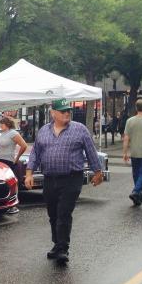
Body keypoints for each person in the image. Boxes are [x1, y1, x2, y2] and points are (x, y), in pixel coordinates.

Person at [25, 99, 103, 264]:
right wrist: (29, 173)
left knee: (63, 213)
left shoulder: (79, 129)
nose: (66, 113)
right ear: (53, 113)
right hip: (49, 179)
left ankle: (62, 248)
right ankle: (57, 244)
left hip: (72, 179)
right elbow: (35, 154)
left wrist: (98, 172)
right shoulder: (43, 131)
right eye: (62, 111)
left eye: (68, 110)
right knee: (53, 214)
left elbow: (91, 151)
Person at [0, 116, 28, 214]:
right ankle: (2, 203)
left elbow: (24, 145)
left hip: (7, 160)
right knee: (0, 182)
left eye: (2, 124)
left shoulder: (13, 133)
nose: (0, 126)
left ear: (7, 124)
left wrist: (17, 158)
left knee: (10, 182)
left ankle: (13, 204)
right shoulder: (3, 133)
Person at [122, 99, 142, 205]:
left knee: (136, 174)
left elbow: (126, 138)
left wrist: (124, 152)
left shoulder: (130, 121)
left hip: (134, 152)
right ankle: (137, 191)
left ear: (136, 108)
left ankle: (138, 196)